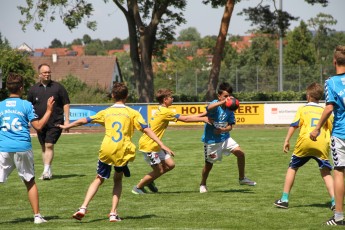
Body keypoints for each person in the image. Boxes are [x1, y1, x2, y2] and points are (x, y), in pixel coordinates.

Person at [58, 82, 173, 222]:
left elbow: (85, 120)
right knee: (117, 179)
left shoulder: (106, 112)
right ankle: (113, 213)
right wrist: (162, 144)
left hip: (107, 149)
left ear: (112, 96)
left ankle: (83, 207)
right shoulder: (132, 113)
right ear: (127, 96)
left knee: (99, 178)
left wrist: (68, 125)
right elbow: (147, 129)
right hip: (122, 150)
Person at [0, 73, 55, 224]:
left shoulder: (1, 105)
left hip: (3, 148)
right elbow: (38, 126)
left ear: (6, 87)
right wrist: (49, 110)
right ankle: (37, 216)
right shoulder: (26, 105)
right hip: (22, 147)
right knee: (29, 181)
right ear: (22, 88)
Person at [132, 88, 209, 194]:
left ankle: (149, 181)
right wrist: (203, 119)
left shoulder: (162, 110)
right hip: (149, 145)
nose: (172, 99)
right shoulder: (165, 112)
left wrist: (202, 115)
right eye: (171, 97)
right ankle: (138, 187)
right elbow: (185, 119)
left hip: (155, 144)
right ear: (165, 99)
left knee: (170, 165)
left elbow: (185, 117)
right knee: (159, 170)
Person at [274, 82, 334, 210]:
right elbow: (331, 128)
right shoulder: (325, 111)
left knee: (293, 167)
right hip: (321, 143)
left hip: (305, 142)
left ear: (308, 96)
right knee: (326, 172)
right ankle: (334, 201)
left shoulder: (303, 109)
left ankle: (284, 199)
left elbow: (294, 125)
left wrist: (287, 140)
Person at [310, 45, 345, 226]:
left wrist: (316, 128)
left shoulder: (330, 82)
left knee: (339, 172)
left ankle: (338, 216)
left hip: (340, 133)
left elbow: (329, 108)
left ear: (334, 62)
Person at [199, 82, 256, 193]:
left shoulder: (230, 108)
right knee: (209, 164)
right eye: (225, 96)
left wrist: (222, 130)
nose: (228, 98)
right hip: (211, 141)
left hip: (225, 138)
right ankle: (203, 183)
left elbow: (230, 126)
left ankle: (242, 178)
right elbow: (209, 108)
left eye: (229, 96)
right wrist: (221, 102)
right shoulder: (215, 104)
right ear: (219, 96)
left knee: (241, 154)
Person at [27, 63, 70, 180]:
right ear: (39, 74)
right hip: (40, 123)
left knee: (49, 144)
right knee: (43, 147)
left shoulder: (58, 87)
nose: (47, 74)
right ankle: (48, 170)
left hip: (55, 122)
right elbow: (29, 106)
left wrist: (67, 120)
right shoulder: (33, 89)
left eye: (49, 72)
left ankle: (46, 171)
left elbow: (66, 103)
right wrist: (29, 121)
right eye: (45, 72)